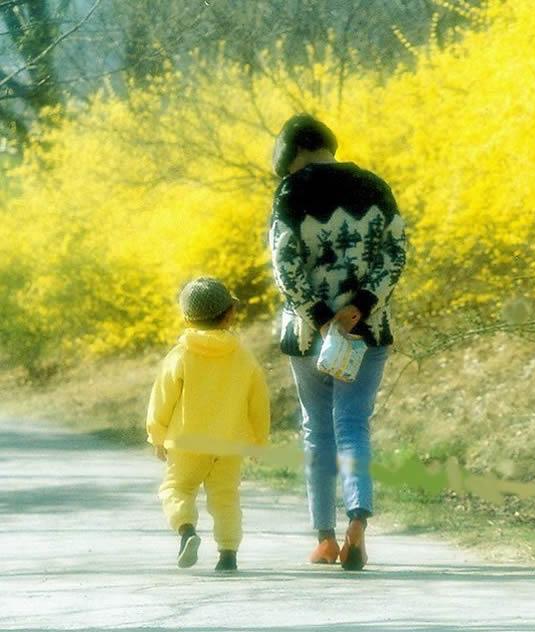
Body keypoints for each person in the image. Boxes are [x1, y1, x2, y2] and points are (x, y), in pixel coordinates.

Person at [268, 114, 407, 570]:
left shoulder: (290, 192)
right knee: (353, 424)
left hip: (311, 336)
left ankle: (325, 539)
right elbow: (395, 254)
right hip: (368, 331)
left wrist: (322, 318)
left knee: (317, 428)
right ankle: (358, 522)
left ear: (292, 153)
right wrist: (360, 307)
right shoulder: (375, 186)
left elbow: (285, 266)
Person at [146, 276, 270, 572]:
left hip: (186, 442)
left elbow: (162, 398)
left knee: (176, 489)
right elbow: (258, 403)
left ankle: (186, 530)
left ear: (187, 318)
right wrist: (258, 441)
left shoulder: (180, 355)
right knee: (226, 498)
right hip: (229, 444)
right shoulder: (243, 357)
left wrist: (157, 435)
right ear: (230, 314)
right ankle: (228, 554)